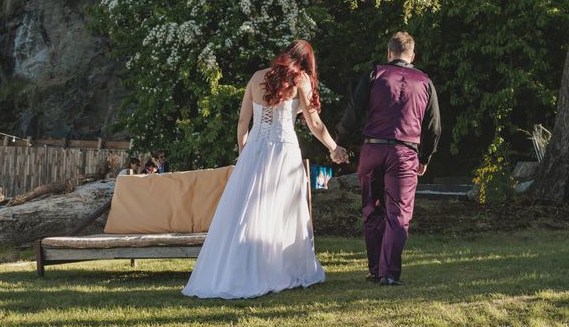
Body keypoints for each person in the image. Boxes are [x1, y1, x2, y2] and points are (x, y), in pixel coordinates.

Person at [182, 39, 347, 299]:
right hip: (283, 151)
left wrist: (243, 151)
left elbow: (242, 122)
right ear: (305, 62)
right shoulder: (300, 80)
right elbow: (314, 123)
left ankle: (236, 270)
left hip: (254, 151)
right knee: (281, 211)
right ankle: (277, 269)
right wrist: (333, 147)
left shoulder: (257, 77)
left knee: (245, 212)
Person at [331, 31, 441, 286]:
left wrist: (340, 141)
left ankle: (375, 269)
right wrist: (425, 156)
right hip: (405, 151)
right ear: (412, 55)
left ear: (389, 53)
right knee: (399, 213)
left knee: (372, 209)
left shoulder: (374, 74)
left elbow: (353, 110)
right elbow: (434, 126)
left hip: (372, 149)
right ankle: (389, 272)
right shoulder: (424, 81)